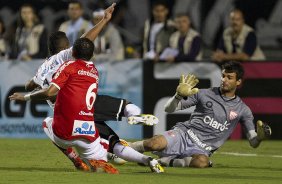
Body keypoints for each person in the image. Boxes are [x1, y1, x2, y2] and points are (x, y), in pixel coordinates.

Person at [23, 4, 163, 173]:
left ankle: (83, 158)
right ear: (67, 46)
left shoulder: (42, 69)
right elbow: (86, 39)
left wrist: (31, 86)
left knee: (112, 146)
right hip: (88, 105)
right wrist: (104, 20)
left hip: (69, 116)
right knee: (125, 107)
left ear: (49, 48)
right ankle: (134, 116)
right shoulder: (68, 58)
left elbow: (29, 85)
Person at [130, 61, 272, 168]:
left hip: (202, 148)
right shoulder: (204, 93)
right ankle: (122, 148)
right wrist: (178, 95)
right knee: (153, 143)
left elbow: (253, 142)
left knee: (201, 163)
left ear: (238, 82)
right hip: (184, 134)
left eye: (229, 77)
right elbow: (169, 109)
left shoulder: (243, 110)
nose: (224, 80)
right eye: (223, 76)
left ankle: (163, 161)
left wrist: (259, 137)